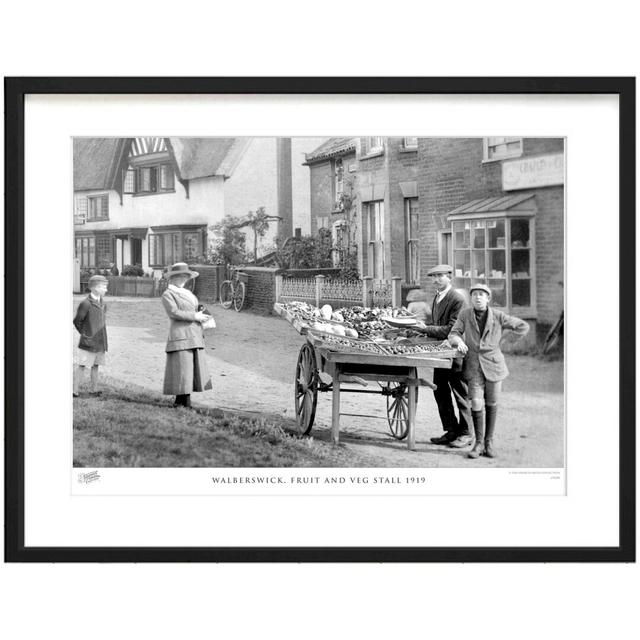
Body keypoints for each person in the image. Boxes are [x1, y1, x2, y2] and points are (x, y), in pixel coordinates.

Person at [448, 284, 530, 459]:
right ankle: (478, 444)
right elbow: (453, 333)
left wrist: (506, 341)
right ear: (471, 298)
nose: (478, 297)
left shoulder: (498, 316)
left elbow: (522, 326)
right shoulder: (465, 315)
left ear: (488, 298)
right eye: (475, 295)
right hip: (473, 365)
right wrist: (458, 342)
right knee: (476, 403)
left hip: (494, 365)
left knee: (491, 404)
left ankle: (488, 443)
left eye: (481, 295)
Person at [415, 264, 472, 448]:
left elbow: (452, 329)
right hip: (441, 352)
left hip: (457, 353)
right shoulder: (438, 297)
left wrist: (426, 329)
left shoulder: (457, 299)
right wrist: (422, 329)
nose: (436, 280)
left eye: (440, 276)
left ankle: (466, 433)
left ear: (450, 278)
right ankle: (451, 430)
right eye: (433, 277)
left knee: (460, 393)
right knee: (440, 391)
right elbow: (436, 323)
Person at [161, 262, 213, 408]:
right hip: (181, 335)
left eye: (186, 276)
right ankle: (183, 403)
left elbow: (194, 309)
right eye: (181, 276)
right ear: (173, 278)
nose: (184, 279)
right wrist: (195, 316)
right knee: (182, 368)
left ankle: (182, 402)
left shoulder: (188, 294)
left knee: (189, 369)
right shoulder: (168, 294)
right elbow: (174, 313)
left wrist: (203, 313)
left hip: (194, 334)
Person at [73, 274, 109, 397]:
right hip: (88, 342)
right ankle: (74, 390)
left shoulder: (103, 303)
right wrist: (85, 335)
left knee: (96, 365)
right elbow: (77, 321)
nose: (106, 290)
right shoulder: (86, 303)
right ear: (94, 288)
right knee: (82, 365)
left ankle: (94, 389)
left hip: (100, 342)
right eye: (103, 287)